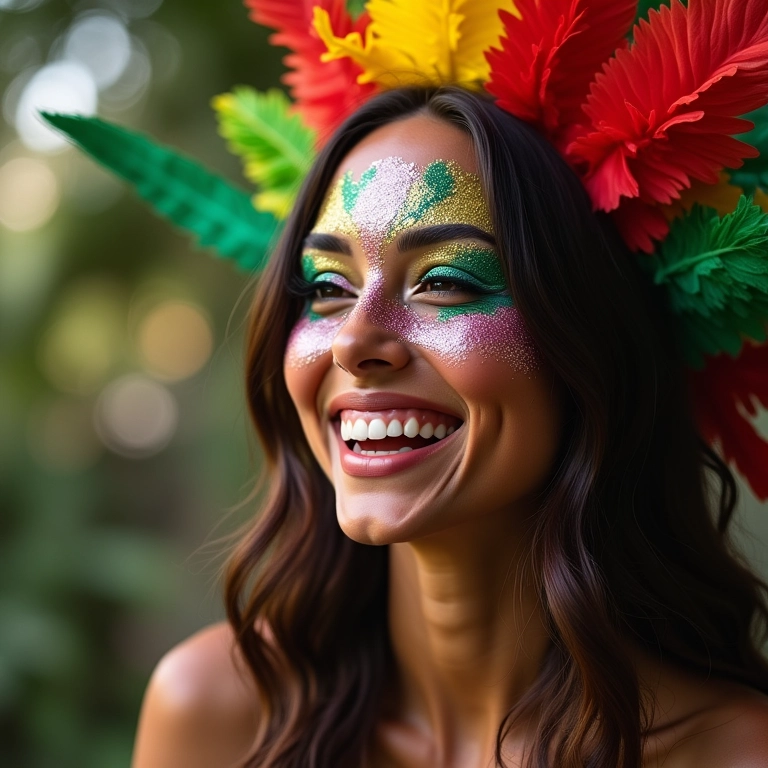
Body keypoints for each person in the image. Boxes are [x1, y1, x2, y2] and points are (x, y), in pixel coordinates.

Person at [131, 86, 768, 768]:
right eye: (326, 287)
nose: (352, 341)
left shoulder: (735, 753)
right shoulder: (212, 716)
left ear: (590, 346)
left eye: (445, 280)